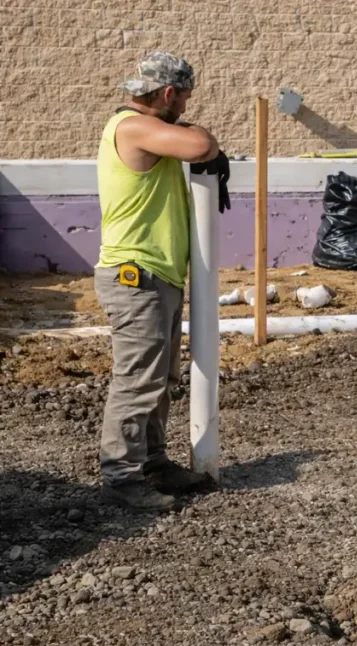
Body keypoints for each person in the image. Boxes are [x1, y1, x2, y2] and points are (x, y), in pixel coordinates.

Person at [95, 51, 231, 511]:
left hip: (157, 277)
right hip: (136, 278)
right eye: (185, 97)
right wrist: (205, 139)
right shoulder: (132, 127)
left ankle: (153, 462)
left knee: (158, 379)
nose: (187, 106)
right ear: (168, 93)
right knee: (138, 381)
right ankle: (121, 476)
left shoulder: (149, 132)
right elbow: (200, 146)